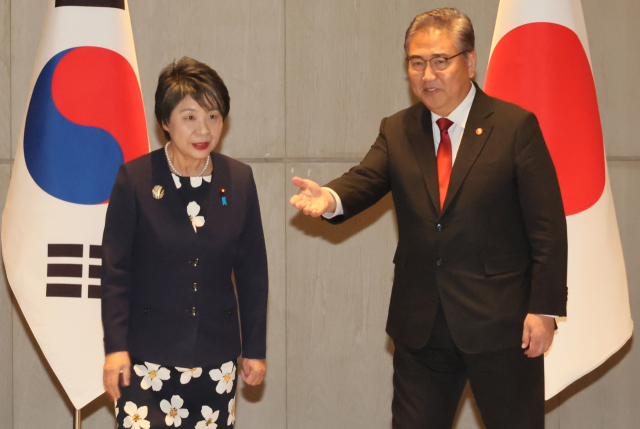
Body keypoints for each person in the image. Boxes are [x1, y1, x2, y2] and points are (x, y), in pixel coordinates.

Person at [290, 8, 567, 429]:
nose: (427, 74)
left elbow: (547, 228)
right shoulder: (399, 130)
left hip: (501, 324)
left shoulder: (514, 127)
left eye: (441, 61)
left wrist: (543, 309)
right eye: (416, 63)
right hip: (421, 326)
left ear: (470, 62)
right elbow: (365, 177)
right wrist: (329, 198)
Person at [101, 57, 268, 428]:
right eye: (189, 116)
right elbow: (115, 272)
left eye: (213, 116)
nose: (203, 129)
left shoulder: (238, 180)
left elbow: (253, 271)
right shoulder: (136, 178)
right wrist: (115, 348)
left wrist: (254, 349)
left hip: (215, 359)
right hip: (146, 360)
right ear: (165, 121)